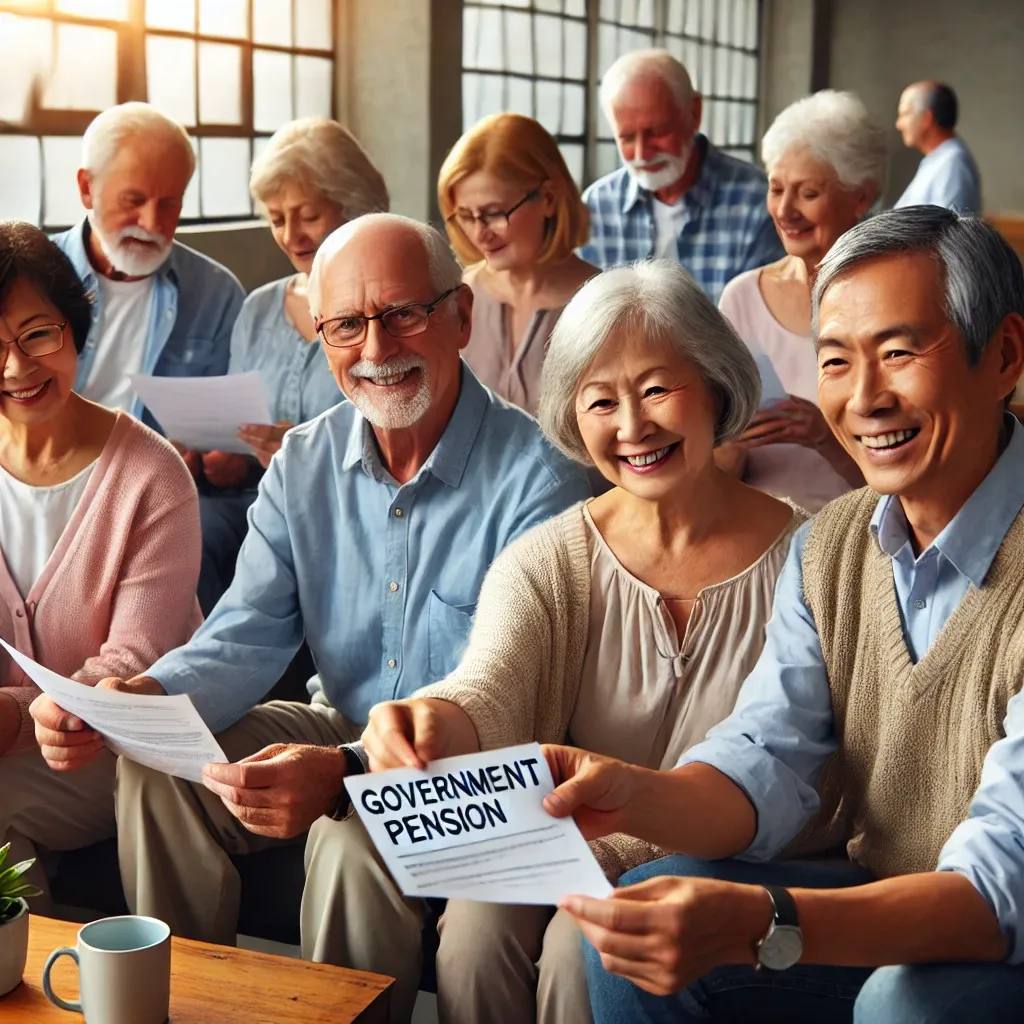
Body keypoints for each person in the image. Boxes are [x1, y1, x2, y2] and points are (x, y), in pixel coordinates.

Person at [31, 214, 591, 1024]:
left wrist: (353, 771)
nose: (374, 348)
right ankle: (182, 1007)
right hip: (339, 722)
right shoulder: (303, 460)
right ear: (319, 332)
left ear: (460, 316)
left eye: (403, 313)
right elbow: (246, 631)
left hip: (479, 766)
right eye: (344, 325)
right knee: (159, 770)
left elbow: (499, 695)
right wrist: (138, 698)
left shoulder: (541, 480)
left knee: (345, 833)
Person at [539, 208, 1024, 1023]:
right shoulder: (831, 545)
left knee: (903, 1005)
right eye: (835, 361)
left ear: (1005, 354)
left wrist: (770, 921)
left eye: (899, 353)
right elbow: (770, 756)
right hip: (888, 902)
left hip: (998, 933)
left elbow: (1001, 882)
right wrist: (632, 794)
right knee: (643, 907)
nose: (865, 398)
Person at [361, 260, 806, 1024]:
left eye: (658, 389)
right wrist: (433, 719)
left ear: (717, 385)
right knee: (472, 927)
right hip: (573, 840)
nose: (633, 427)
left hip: (731, 851)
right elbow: (491, 682)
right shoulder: (552, 556)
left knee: (584, 944)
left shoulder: (810, 555)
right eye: (601, 400)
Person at [0, 221, 201, 898]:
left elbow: (129, 660)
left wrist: (16, 714)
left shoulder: (152, 473)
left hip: (122, 751)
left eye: (38, 334)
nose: (17, 369)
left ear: (74, 327)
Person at [196, 118, 389, 613]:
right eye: (278, 218)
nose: (290, 235)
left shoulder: (388, 307)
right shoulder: (259, 307)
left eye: (307, 215)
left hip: (352, 510)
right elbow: (239, 424)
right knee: (187, 526)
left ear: (352, 208)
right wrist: (229, 457)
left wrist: (303, 453)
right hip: (259, 504)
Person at [717, 90, 885, 510]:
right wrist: (729, 443)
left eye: (808, 193)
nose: (785, 211)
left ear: (861, 196)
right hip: (754, 530)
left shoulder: (889, 301)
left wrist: (824, 437)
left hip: (860, 533)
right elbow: (713, 473)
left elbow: (909, 482)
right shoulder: (742, 298)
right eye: (776, 189)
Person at [51, 102, 243, 424]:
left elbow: (228, 425)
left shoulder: (217, 294)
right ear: (87, 189)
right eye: (133, 201)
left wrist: (222, 456)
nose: (152, 224)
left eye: (169, 204)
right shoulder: (27, 275)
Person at [581, 49, 783, 302]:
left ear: (694, 113)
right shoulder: (597, 206)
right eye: (627, 138)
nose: (643, 153)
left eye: (657, 132)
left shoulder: (756, 203)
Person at [438, 112, 598, 417]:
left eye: (494, 213)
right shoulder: (451, 298)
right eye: (466, 217)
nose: (478, 234)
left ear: (548, 199)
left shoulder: (604, 307)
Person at [894, 82, 981, 214]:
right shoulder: (939, 159)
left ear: (926, 118)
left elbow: (947, 229)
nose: (898, 125)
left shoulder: (953, 163)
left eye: (905, 114)